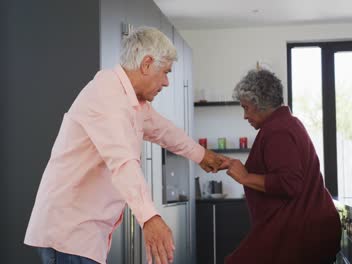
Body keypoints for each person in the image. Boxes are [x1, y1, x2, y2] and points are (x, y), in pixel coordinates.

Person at [24, 27, 224, 264]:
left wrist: (202, 155)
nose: (167, 82)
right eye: (165, 72)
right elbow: (123, 163)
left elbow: (165, 131)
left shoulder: (132, 101)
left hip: (82, 236)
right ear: (147, 63)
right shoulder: (106, 96)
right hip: (68, 234)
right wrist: (150, 218)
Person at [222, 69, 341, 264]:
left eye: (246, 108)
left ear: (259, 104)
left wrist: (245, 177)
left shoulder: (278, 131)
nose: (245, 116)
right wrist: (238, 169)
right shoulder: (287, 123)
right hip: (306, 226)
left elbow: (289, 183)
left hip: (299, 230)